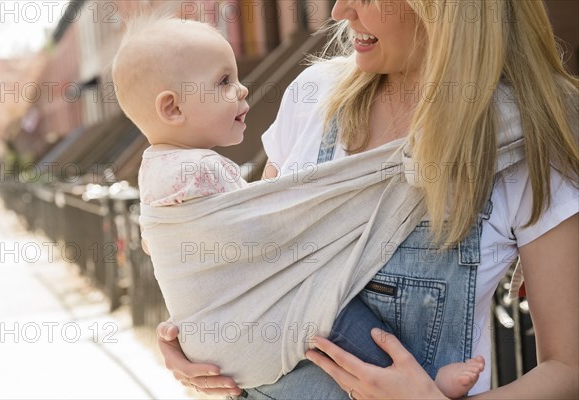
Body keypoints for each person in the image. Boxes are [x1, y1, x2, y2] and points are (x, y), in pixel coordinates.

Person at [156, 0, 578, 399]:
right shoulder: (312, 98)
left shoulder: (524, 141)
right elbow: (254, 263)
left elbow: (568, 368)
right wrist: (199, 336)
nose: (340, 10)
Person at [112, 8, 486, 398]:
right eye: (223, 81)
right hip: (256, 334)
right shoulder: (205, 170)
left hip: (219, 349)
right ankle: (426, 381)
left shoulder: (151, 172)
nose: (242, 90)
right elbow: (267, 231)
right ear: (172, 108)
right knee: (335, 316)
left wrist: (194, 322)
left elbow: (170, 247)